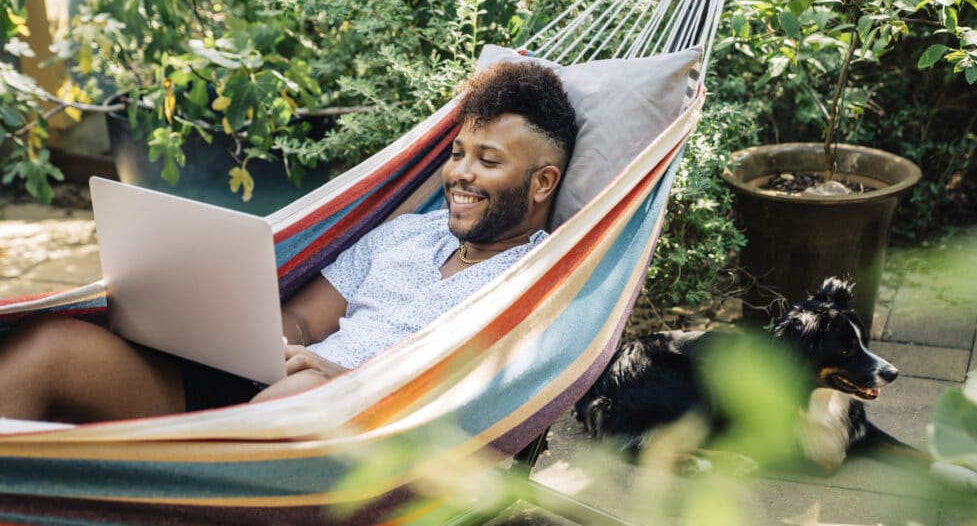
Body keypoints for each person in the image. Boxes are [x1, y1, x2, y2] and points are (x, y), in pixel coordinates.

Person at [0, 61, 577, 422]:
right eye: (457, 154)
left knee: (287, 401)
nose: (460, 175)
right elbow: (301, 321)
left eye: (488, 161)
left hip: (354, 429)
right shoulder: (406, 234)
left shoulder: (539, 279)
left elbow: (465, 395)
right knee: (49, 347)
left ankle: (125, 488)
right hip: (269, 392)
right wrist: (244, 337)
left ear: (542, 182)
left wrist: (335, 378)